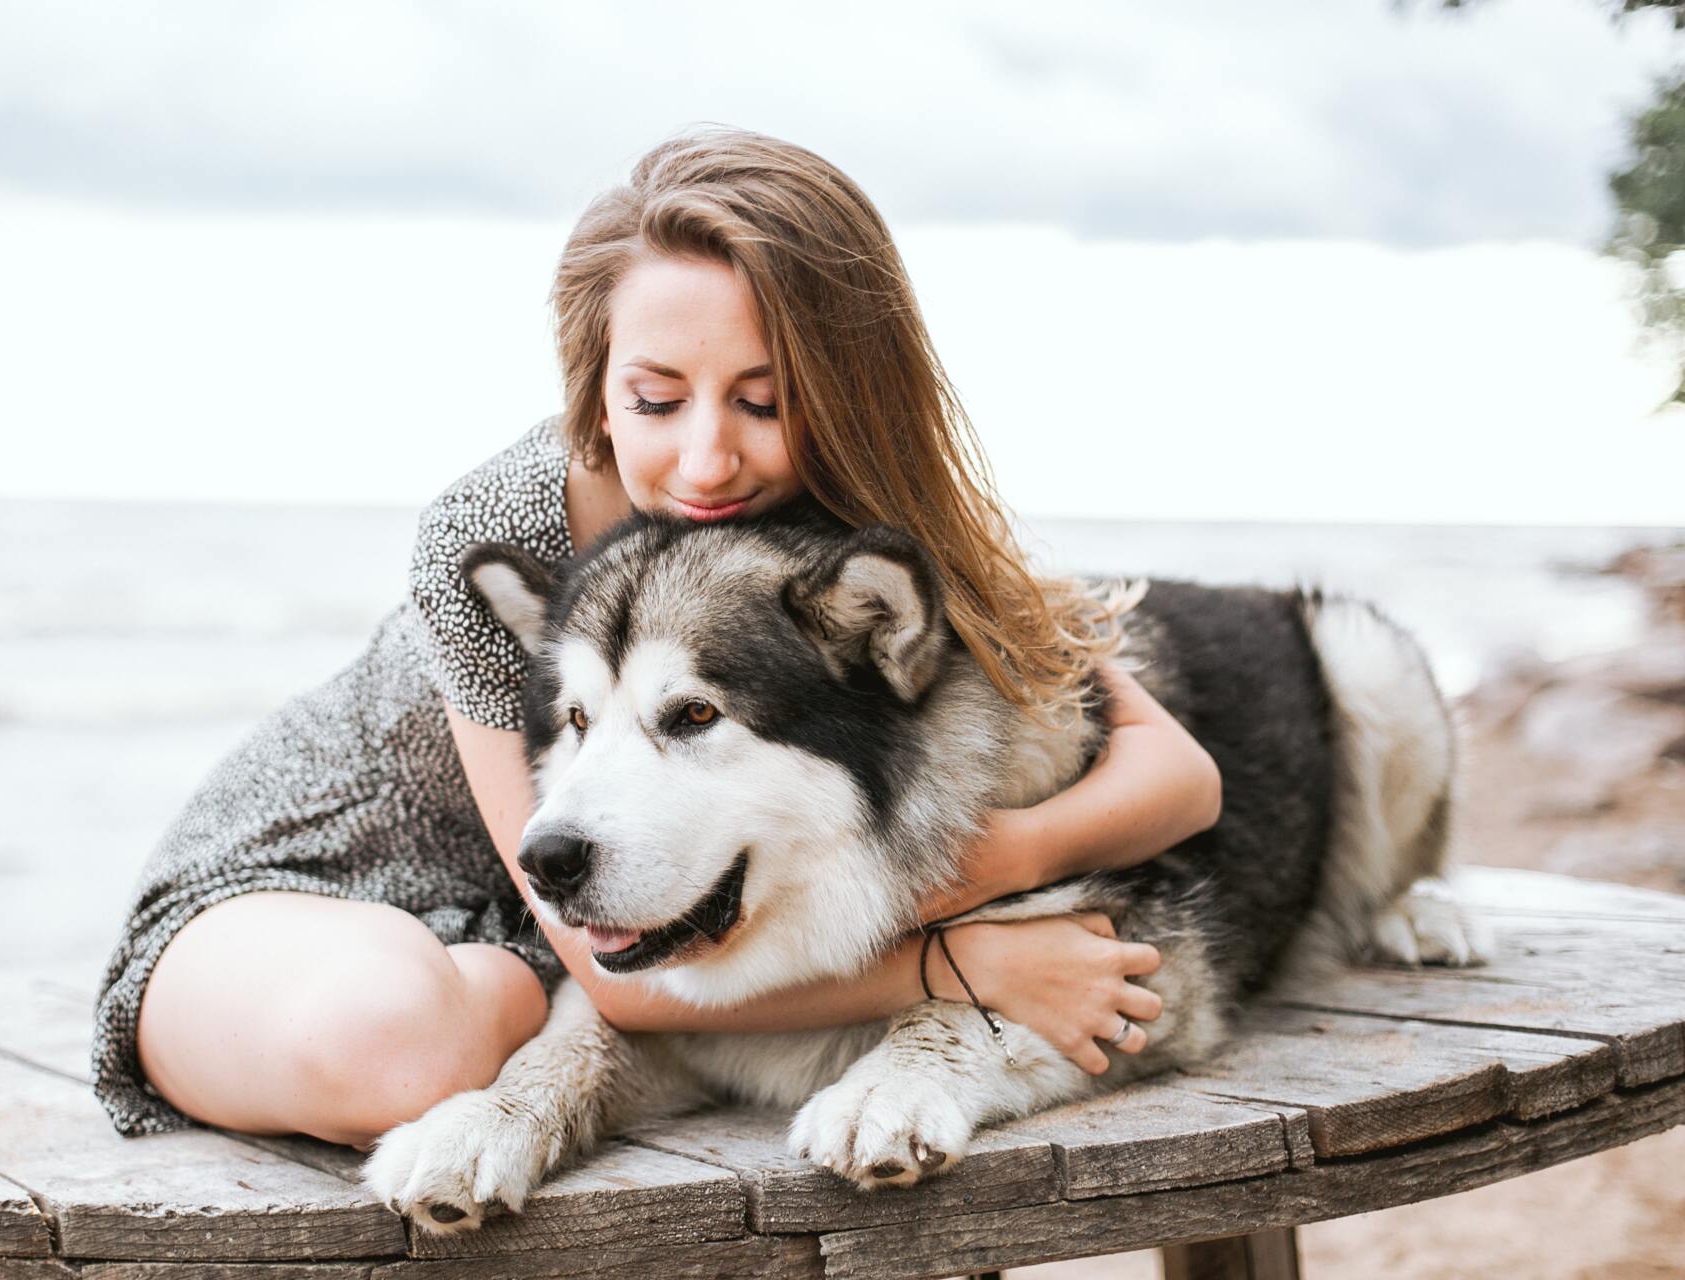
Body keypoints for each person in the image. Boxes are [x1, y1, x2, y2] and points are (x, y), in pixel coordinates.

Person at [89, 127, 1222, 1151]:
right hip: (307, 908)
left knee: (484, 1007)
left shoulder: (856, 534)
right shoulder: (498, 534)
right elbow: (623, 987)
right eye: (657, 397)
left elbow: (1179, 775)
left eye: (764, 401)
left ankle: (493, 989)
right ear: (597, 390)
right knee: (408, 1038)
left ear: (846, 393)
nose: (708, 458)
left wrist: (1006, 860)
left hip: (592, 913)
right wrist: (958, 957)